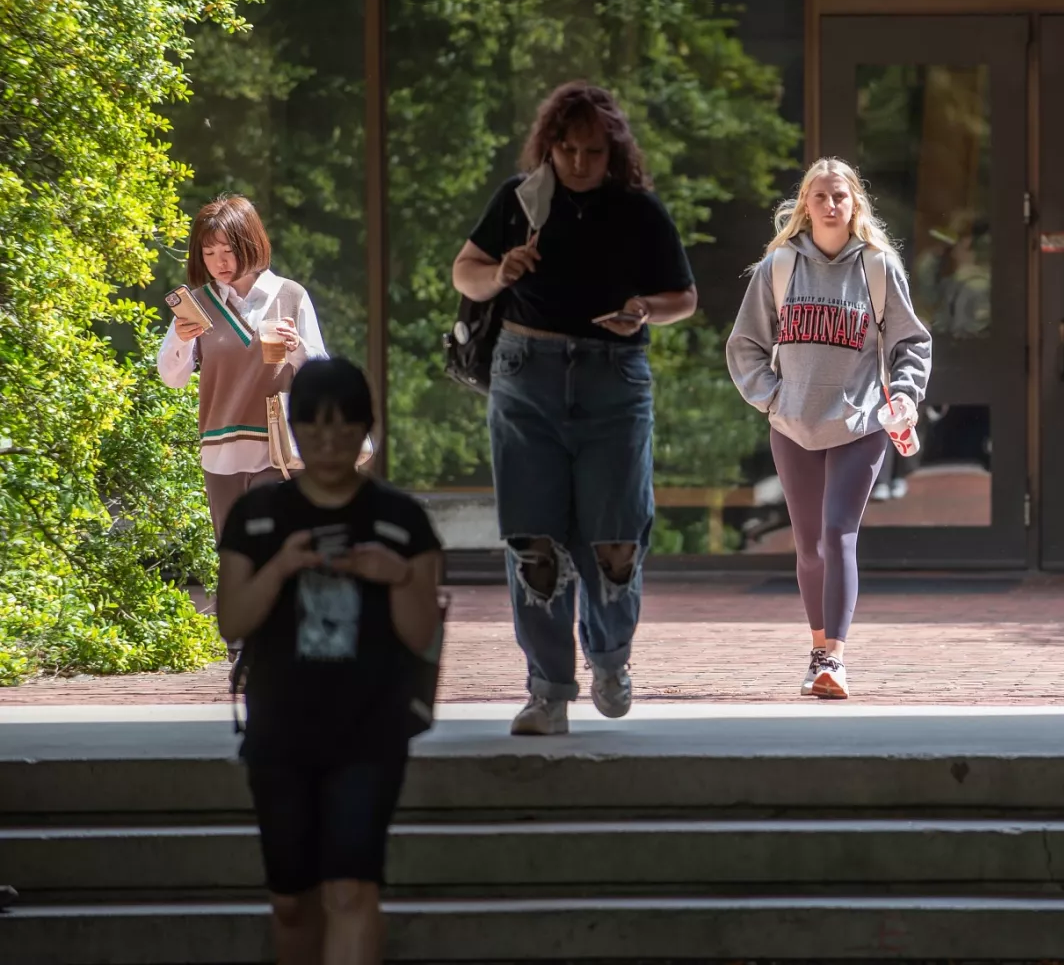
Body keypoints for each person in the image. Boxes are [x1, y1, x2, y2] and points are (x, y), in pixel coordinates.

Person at [451, 82, 697, 735]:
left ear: (612, 151)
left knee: (615, 540)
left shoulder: (638, 211)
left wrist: (645, 310)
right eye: (568, 149)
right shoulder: (521, 198)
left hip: (613, 380)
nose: (580, 163)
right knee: (535, 541)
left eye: (593, 151)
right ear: (549, 145)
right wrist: (503, 271)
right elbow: (464, 273)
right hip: (525, 375)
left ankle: (610, 658)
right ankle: (548, 690)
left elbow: (684, 298)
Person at [216, 358, 444, 965]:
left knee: (351, 887)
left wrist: (396, 576)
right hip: (279, 730)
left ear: (366, 430)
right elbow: (232, 621)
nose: (329, 442)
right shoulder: (258, 517)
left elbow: (422, 631)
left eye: (346, 428)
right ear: (293, 429)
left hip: (370, 729)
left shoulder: (401, 520)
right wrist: (283, 566)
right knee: (292, 900)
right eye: (313, 428)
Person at [726, 158, 932, 699]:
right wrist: (772, 398)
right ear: (805, 205)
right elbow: (746, 344)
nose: (831, 204)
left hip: (858, 423)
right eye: (820, 196)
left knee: (839, 533)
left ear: (855, 202)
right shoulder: (779, 267)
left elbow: (911, 343)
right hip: (792, 425)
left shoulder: (878, 267)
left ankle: (832, 659)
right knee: (809, 545)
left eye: (840, 195)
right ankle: (817, 644)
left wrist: (906, 395)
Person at [158, 194, 328, 539]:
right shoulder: (200, 305)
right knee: (235, 558)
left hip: (278, 449)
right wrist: (180, 337)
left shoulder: (290, 296)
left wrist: (297, 348)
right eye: (208, 253)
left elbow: (324, 374)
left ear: (250, 243)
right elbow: (172, 378)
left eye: (227, 250)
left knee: (273, 550)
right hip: (221, 452)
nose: (219, 262)